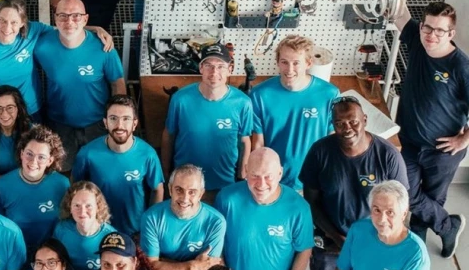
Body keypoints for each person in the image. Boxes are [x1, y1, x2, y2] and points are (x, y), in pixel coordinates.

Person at [299, 96, 409, 270]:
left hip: (373, 244)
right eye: (339, 123)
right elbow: (311, 201)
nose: (347, 128)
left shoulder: (387, 156)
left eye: (353, 121)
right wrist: (337, 238)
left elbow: (401, 209)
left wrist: (389, 246)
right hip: (330, 242)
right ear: (333, 125)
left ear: (365, 119)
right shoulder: (320, 152)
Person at [0, 0, 114, 119]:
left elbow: (65, 27)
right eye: (3, 21)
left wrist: (95, 28)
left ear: (22, 23)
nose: (7, 28)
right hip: (1, 114)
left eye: (14, 22)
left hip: (32, 110)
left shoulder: (33, 31)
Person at [393, 1, 468, 256]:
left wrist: (463, 140)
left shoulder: (460, 66)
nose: (431, 35)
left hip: (443, 150)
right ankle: (448, 226)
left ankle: (417, 247)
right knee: (408, 194)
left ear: (451, 34)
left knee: (432, 199)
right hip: (411, 143)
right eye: (428, 27)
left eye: (439, 31)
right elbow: (399, 10)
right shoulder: (416, 39)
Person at [214, 148, 313, 270]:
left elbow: (304, 249)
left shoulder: (298, 207)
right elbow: (218, 243)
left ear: (280, 173)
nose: (261, 184)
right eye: (254, 176)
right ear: (245, 171)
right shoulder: (226, 199)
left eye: (268, 176)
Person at [35, 0, 126, 169]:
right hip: (60, 126)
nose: (69, 21)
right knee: (63, 174)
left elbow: (117, 84)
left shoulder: (104, 48)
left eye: (76, 16)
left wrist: (117, 122)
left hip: (97, 126)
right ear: (55, 18)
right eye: (63, 16)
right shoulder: (42, 46)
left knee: (99, 172)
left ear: (85, 19)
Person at [161, 43, 253, 201]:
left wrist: (241, 177)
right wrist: (166, 172)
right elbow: (168, 136)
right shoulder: (180, 100)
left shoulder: (243, 103)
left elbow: (245, 141)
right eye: (209, 65)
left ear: (230, 69)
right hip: (186, 187)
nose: (214, 72)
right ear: (200, 68)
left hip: (224, 185)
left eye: (220, 66)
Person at [249, 35, 339, 190]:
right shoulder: (260, 95)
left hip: (315, 182)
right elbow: (258, 143)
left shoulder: (329, 94)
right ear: (277, 62)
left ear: (309, 63)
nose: (289, 69)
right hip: (274, 182)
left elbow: (334, 140)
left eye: (296, 63)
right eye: (284, 62)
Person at [335, 181, 431, 270]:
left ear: (404, 213)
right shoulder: (358, 230)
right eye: (377, 210)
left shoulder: (415, 253)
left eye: (390, 212)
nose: (381, 220)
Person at [73, 95, 164, 235]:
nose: (119, 126)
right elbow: (74, 191)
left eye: (126, 119)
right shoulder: (87, 154)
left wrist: (149, 226)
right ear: (105, 122)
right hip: (97, 231)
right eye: (113, 118)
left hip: (135, 232)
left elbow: (157, 190)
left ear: (134, 124)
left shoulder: (148, 154)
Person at [141, 165, 226, 270]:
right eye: (179, 190)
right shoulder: (152, 217)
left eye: (192, 192)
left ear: (201, 193)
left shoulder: (216, 222)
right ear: (170, 189)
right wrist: (193, 264)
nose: (185, 198)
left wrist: (163, 262)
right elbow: (151, 268)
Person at [0, 125, 71, 250]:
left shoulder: (62, 184)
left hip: (52, 253)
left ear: (50, 161)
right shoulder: (1, 186)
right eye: (29, 154)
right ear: (21, 154)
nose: (34, 161)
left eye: (41, 157)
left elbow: (67, 225)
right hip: (15, 251)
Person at [53, 181, 117, 270]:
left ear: (98, 207)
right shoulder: (62, 229)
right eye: (77, 205)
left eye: (88, 206)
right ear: (70, 208)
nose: (82, 212)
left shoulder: (111, 237)